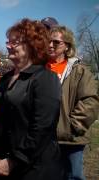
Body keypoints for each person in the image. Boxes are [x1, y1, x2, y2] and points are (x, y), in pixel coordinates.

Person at [0, 18, 64, 180]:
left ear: (31, 46)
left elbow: (42, 127)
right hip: (0, 164)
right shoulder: (6, 78)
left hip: (34, 168)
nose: (8, 46)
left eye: (15, 42)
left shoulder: (45, 79)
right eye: (9, 41)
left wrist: (14, 161)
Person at [46, 25, 99, 180]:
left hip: (71, 139)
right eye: (48, 41)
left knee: (73, 176)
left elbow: (91, 100)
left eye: (56, 42)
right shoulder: (41, 68)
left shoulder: (79, 70)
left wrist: (72, 126)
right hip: (45, 138)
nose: (50, 45)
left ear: (67, 46)